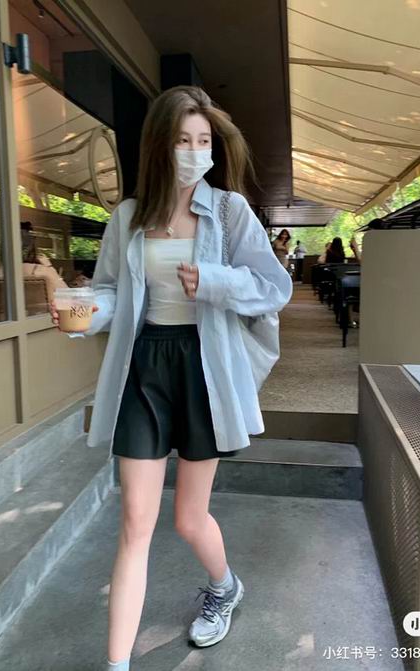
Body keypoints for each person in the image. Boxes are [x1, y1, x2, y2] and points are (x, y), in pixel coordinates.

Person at [49, 85, 292, 671]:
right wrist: (84, 313)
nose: (195, 151)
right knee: (135, 520)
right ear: (160, 144)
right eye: (183, 140)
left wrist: (213, 281)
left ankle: (224, 587)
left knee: (188, 517)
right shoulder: (128, 217)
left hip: (204, 368)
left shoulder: (230, 211)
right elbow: (111, 292)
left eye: (203, 141)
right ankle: (117, 664)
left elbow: (274, 288)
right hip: (145, 367)